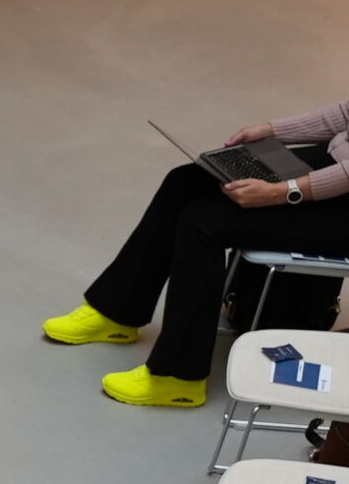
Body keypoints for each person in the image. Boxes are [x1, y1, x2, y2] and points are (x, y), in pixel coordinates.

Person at [42, 105, 349, 409]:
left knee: (204, 223)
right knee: (186, 181)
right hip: (337, 160)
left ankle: (179, 377)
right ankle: (117, 313)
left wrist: (281, 192)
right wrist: (271, 131)